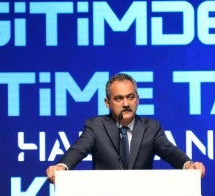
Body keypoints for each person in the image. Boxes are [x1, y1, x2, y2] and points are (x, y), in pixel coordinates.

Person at [46, 73, 206, 184]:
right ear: (107, 103)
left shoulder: (151, 127)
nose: (126, 104)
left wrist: (188, 165)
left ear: (138, 99)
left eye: (130, 97)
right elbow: (79, 148)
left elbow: (169, 151)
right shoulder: (96, 126)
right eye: (119, 99)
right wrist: (61, 167)